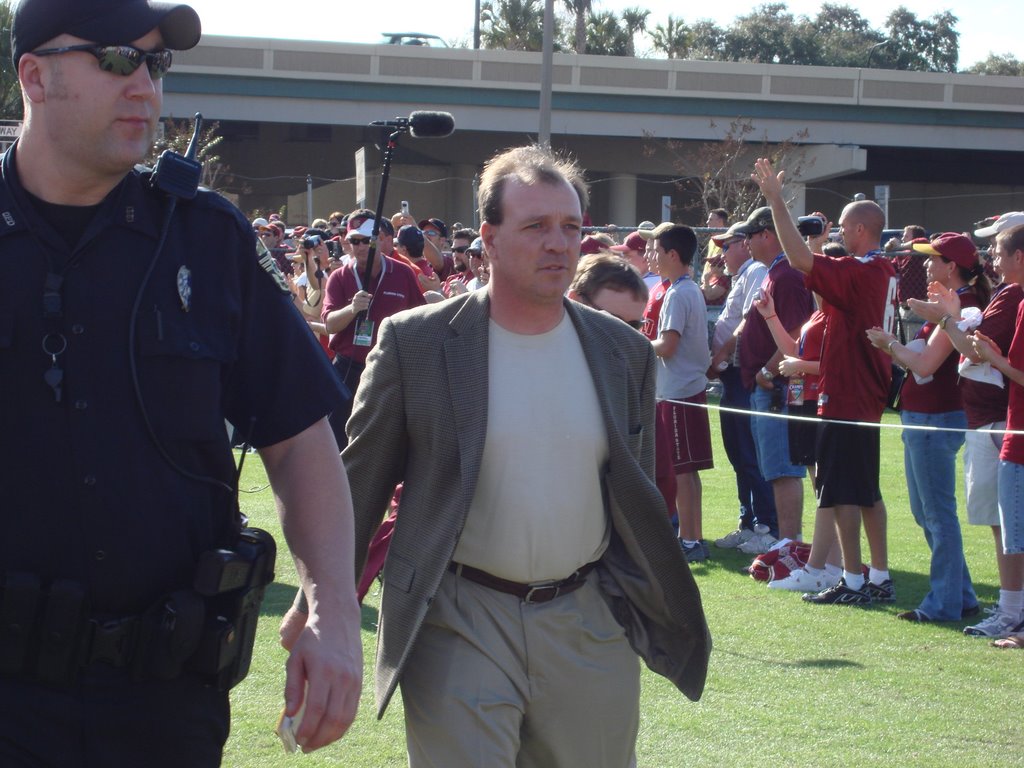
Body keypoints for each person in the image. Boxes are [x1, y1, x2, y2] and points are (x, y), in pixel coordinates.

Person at [0, 0, 362, 763]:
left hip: (162, 701)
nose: (146, 88)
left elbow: (299, 440)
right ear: (34, 75)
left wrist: (331, 606)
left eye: (156, 63)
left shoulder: (207, 237)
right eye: (118, 60)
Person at [282, 144, 710, 767]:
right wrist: (313, 608)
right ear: (489, 236)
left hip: (589, 620)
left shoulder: (625, 353)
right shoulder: (417, 343)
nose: (559, 244)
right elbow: (360, 484)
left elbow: (635, 496)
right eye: (536, 226)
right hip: (458, 620)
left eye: (571, 228)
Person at [752, 158, 896, 606]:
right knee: (865, 491)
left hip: (847, 396)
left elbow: (799, 259)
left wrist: (777, 202)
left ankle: (853, 580)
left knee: (842, 493)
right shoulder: (883, 270)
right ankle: (877, 573)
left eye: (842, 232)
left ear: (858, 232)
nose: (836, 239)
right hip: (863, 394)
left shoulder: (867, 270)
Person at [867, 233, 989, 622]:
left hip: (936, 418)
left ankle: (944, 603)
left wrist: (887, 344)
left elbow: (924, 366)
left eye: (933, 258)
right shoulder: (951, 306)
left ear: (951, 266)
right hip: (926, 416)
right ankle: (962, 596)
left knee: (936, 513)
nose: (924, 265)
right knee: (927, 512)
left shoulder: (962, 307)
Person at [707, 223, 778, 551]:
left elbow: (750, 320)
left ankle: (765, 525)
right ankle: (748, 520)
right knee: (738, 453)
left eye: (727, 245)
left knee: (749, 453)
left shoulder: (755, 271)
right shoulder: (743, 275)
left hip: (741, 374)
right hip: (730, 375)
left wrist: (721, 353)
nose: (722, 254)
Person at [650, 224, 715, 562]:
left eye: (657, 252)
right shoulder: (685, 290)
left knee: (684, 471)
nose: (652, 258)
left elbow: (668, 344)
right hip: (682, 389)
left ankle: (691, 540)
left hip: (680, 391)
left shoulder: (679, 293)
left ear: (672, 255)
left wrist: (635, 344)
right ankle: (690, 537)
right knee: (684, 470)